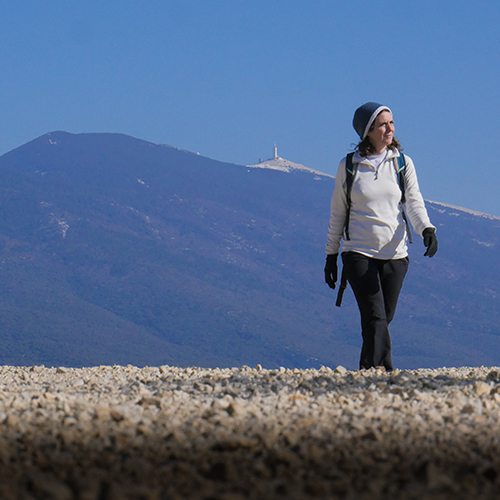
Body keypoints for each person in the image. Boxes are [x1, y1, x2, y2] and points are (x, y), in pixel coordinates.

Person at [324, 102, 438, 371]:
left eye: (391, 122)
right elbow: (337, 212)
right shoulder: (349, 166)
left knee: (383, 318)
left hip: (395, 255)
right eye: (383, 124)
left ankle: (366, 371)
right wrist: (331, 255)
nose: (390, 128)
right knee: (375, 316)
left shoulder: (402, 163)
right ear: (368, 131)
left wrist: (427, 229)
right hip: (358, 253)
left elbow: (414, 202)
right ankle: (382, 372)